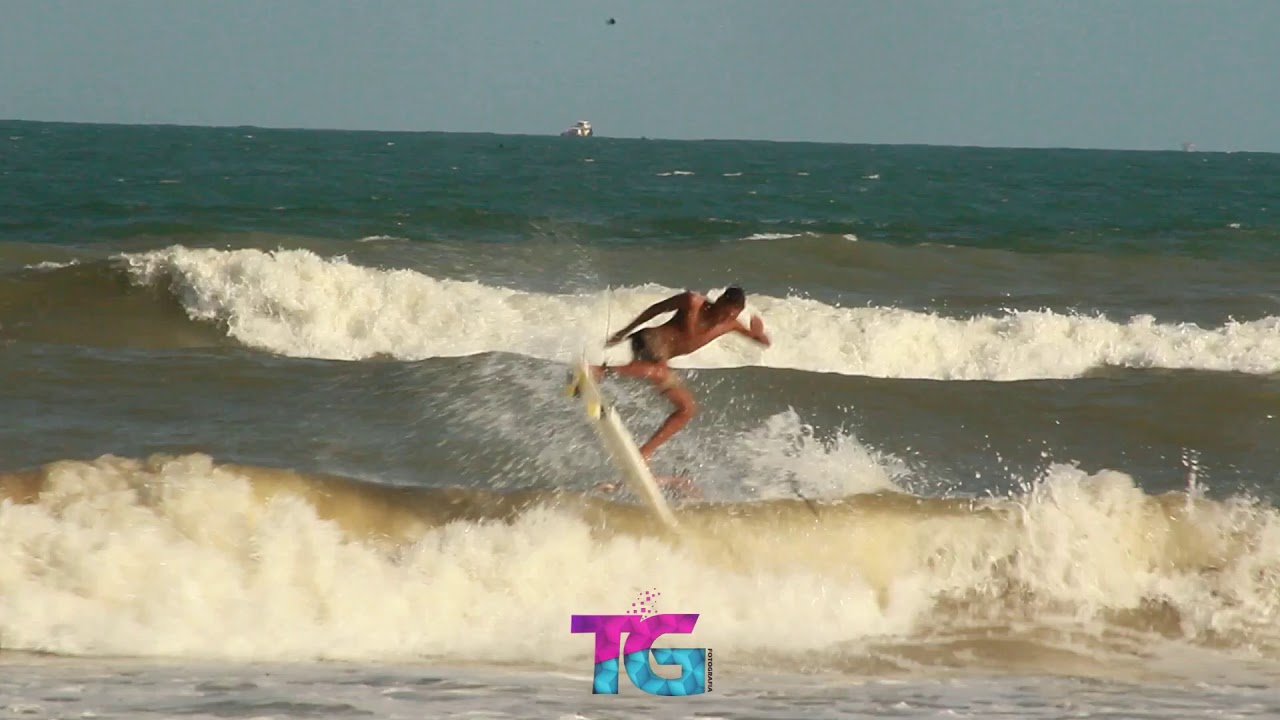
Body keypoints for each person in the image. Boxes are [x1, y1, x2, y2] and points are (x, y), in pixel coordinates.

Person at [592, 287, 770, 495]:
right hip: (650, 339)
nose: (722, 318)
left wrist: (759, 334)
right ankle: (598, 370)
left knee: (687, 409)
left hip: (661, 358)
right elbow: (655, 309)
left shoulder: (731, 324)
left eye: (730, 315)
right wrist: (623, 332)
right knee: (660, 371)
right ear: (719, 300)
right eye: (723, 312)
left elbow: (763, 342)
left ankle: (643, 455)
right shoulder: (692, 302)